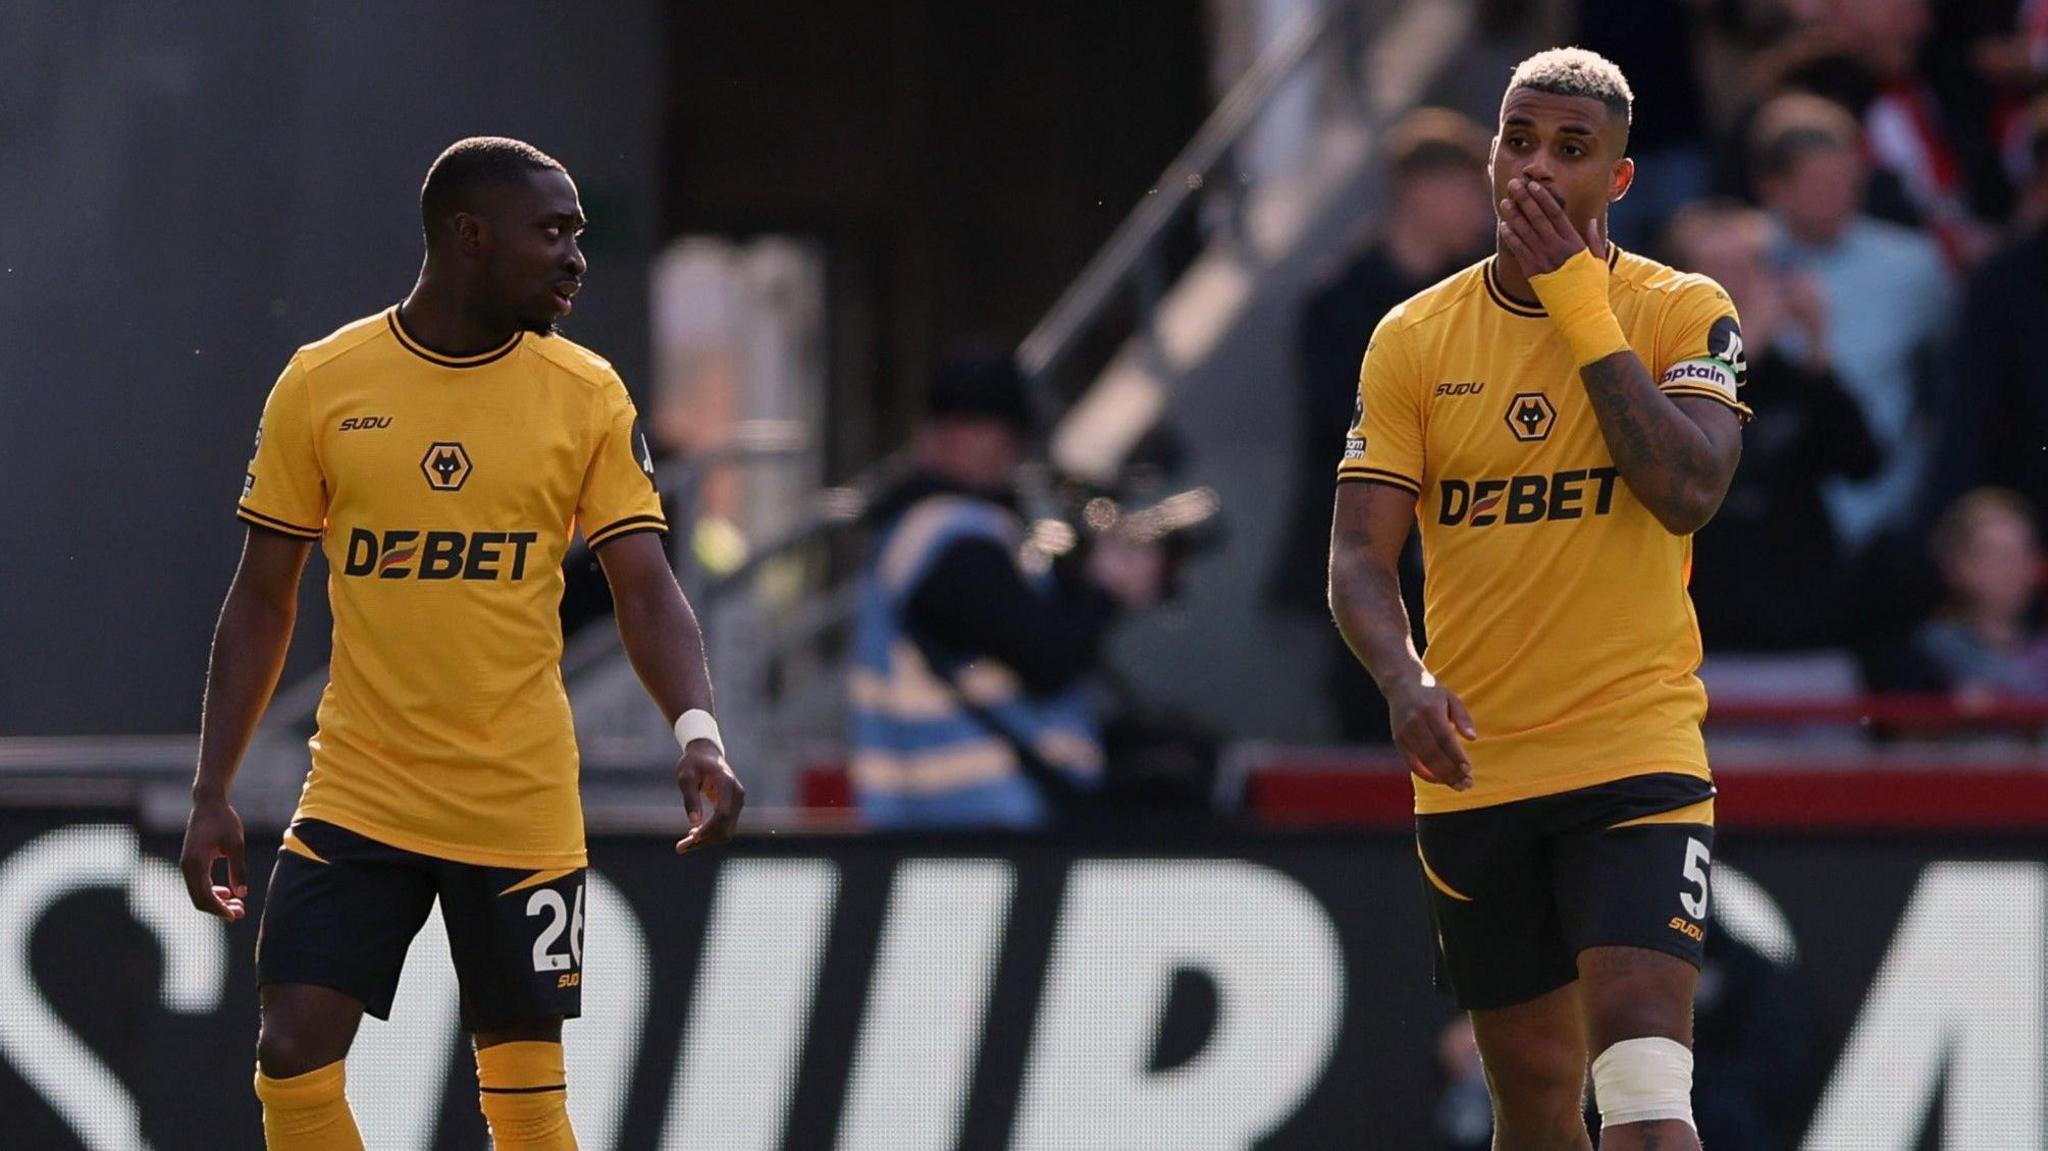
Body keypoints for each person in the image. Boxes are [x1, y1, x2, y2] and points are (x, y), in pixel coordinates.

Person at [178, 137, 745, 1151]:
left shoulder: (585, 393)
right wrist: (212, 787)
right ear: (468, 238)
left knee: (524, 1105)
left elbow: (645, 585)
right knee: (290, 1049)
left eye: (577, 232)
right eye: (554, 233)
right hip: (361, 791)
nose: (576, 258)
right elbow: (262, 598)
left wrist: (697, 730)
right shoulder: (324, 382)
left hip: (516, 798)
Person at [1328, 49, 1749, 1150]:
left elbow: (1685, 490)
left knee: (1647, 1082)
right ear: (1487, 153)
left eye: (1570, 150)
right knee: (1530, 1099)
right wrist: (1402, 675)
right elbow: (1358, 557)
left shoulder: (1680, 308)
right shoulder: (1412, 337)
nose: (1535, 168)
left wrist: (1575, 295)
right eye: (1518, 139)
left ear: (1616, 181)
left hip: (1632, 750)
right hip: (1478, 767)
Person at [847, 348, 1164, 829]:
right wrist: (1106, 590)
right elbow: (1044, 657)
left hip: (938, 819)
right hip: (979, 819)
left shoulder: (918, 530)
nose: (1009, 453)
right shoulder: (954, 536)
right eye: (999, 433)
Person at [1269, 107, 1494, 740]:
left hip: (1465, 550)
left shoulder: (1485, 301)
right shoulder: (1339, 301)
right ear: (1421, 189)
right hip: (1371, 543)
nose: (1484, 213)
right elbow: (1341, 419)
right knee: (1367, 719)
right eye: (1472, 192)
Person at [1663, 199, 1881, 651]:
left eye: (1751, 267)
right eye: (1719, 270)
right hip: (1704, 635)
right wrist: (1745, 350)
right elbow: (1688, 465)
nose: (1737, 285)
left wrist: (1819, 350)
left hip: (1806, 629)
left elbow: (1863, 463)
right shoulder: (1654, 370)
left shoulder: (1796, 376)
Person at [1751, 92, 1953, 556]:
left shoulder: (1914, 267)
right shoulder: (1738, 259)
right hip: (1774, 512)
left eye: (1847, 181)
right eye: (1818, 183)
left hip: (1886, 505)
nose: (1837, 196)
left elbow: (1949, 380)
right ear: (1773, 186)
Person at [1906, 489, 2048, 703]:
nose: (2012, 569)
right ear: (1956, 565)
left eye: (2022, 552)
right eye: (1996, 556)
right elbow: (1907, 731)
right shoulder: (1929, 652)